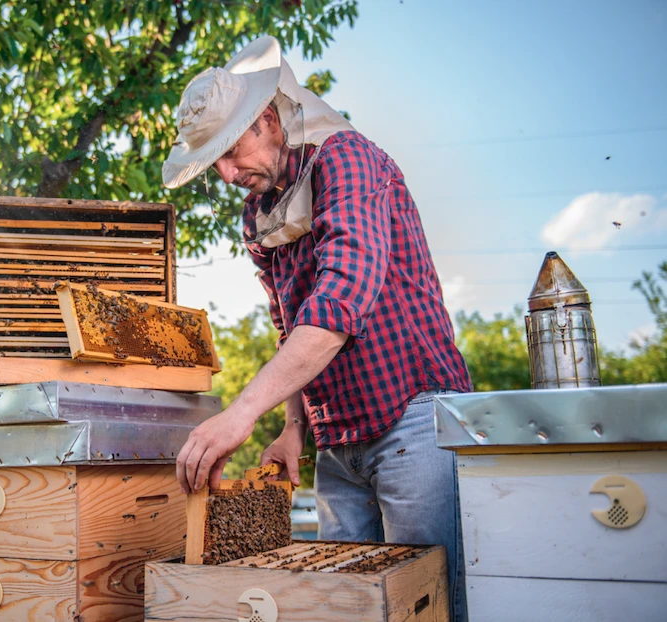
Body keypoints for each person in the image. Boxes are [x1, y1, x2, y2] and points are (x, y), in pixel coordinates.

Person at [163, 37, 473, 621]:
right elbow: (291, 325)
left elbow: (337, 307)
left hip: (412, 420)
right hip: (337, 445)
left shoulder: (346, 160)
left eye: (232, 151)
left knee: (431, 605)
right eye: (215, 165)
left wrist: (241, 412)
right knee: (342, 609)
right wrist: (292, 430)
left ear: (267, 119)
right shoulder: (259, 216)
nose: (228, 174)